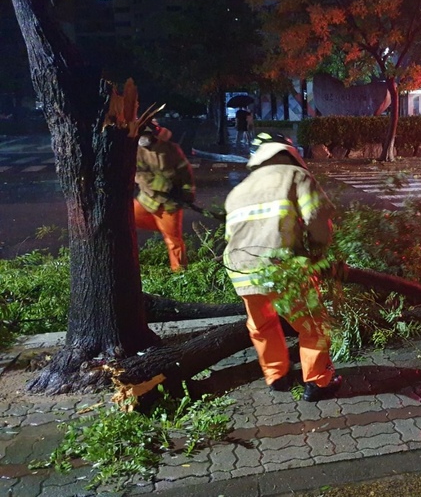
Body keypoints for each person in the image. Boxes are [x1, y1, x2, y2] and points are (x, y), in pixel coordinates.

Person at [223, 132, 342, 402]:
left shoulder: (239, 190)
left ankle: (276, 377)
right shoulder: (296, 176)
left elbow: (231, 236)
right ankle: (318, 382)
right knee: (313, 325)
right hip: (282, 269)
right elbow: (317, 218)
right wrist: (321, 252)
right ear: (289, 152)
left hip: (241, 272)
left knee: (261, 325)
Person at [134, 121, 196, 272]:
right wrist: (162, 186)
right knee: (125, 219)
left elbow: (185, 173)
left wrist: (187, 194)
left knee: (173, 241)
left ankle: (180, 274)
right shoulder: (136, 151)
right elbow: (138, 175)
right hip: (146, 201)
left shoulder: (172, 150)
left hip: (169, 205)